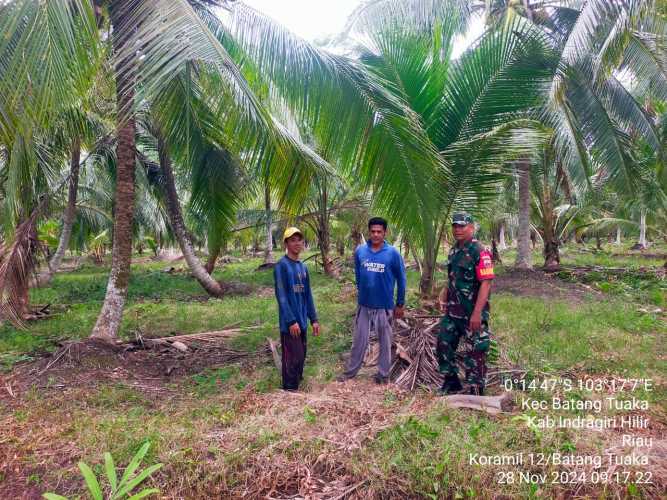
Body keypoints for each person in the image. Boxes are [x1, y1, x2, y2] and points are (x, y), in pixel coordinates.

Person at [337, 217, 406, 384]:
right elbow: (359, 278)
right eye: (373, 231)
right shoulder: (361, 251)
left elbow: (402, 279)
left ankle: (383, 375)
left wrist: (400, 304)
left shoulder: (392, 253)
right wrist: (362, 296)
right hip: (364, 305)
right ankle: (350, 373)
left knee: (385, 342)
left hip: (384, 306)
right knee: (359, 341)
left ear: (385, 232)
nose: (376, 235)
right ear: (369, 232)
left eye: (379, 232)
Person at [437, 212, 494, 396]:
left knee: (476, 350)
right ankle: (451, 382)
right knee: (443, 343)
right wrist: (443, 295)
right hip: (453, 312)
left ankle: (476, 389)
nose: (457, 229)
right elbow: (452, 277)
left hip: (472, 312)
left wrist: (477, 313)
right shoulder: (454, 251)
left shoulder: (480, 251)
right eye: (455, 226)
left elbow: (486, 283)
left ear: (471, 227)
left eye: (462, 226)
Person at [273, 227, 321, 391]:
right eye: (292, 240)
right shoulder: (281, 266)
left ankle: (296, 383)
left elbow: (308, 295)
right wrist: (291, 320)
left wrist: (313, 319)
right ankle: (289, 388)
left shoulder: (303, 267)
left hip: (302, 321)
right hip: (290, 324)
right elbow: (281, 296)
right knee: (293, 357)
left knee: (301, 356)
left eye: (299, 239)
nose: (296, 243)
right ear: (286, 243)